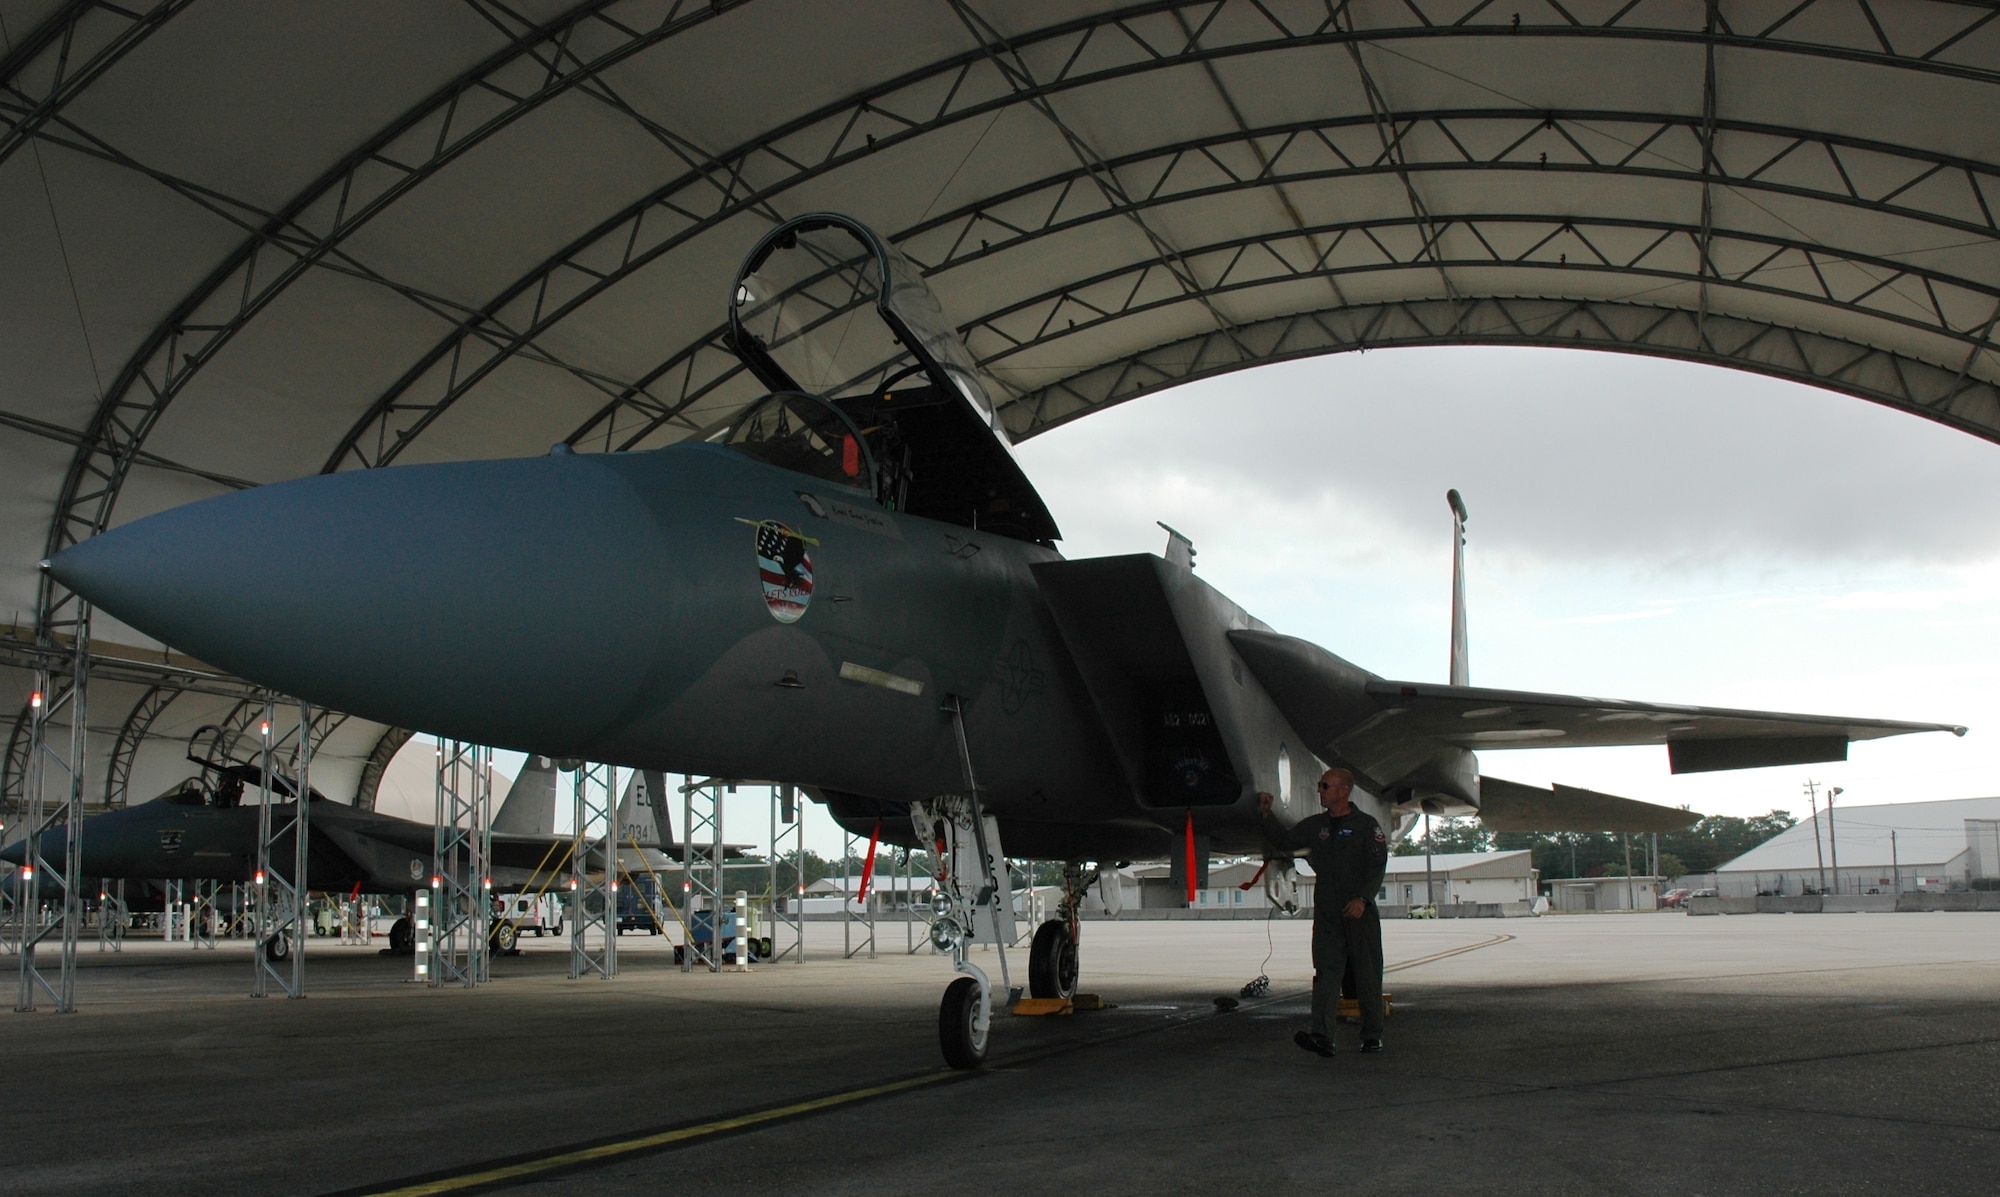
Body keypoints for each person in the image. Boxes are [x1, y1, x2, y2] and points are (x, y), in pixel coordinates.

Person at [1258, 768, 1388, 1057]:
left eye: (1324, 786)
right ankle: (1323, 1036)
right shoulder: (1317, 825)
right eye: (1319, 785)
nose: (1319, 790)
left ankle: (1371, 1036)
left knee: (1367, 974)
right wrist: (1267, 814)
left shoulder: (1367, 826)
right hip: (1329, 913)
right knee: (1326, 973)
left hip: (1360, 912)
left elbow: (1377, 866)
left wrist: (1363, 899)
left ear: (1343, 791)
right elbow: (1285, 841)